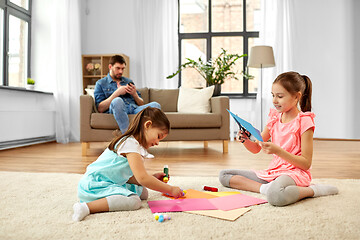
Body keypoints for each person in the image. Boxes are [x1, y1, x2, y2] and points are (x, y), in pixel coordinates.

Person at [219, 71, 338, 207]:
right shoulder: (275, 118)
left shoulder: (305, 122)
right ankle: (267, 189)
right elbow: (257, 148)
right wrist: (246, 140)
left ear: (296, 97)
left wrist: (278, 151)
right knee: (224, 175)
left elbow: (306, 163)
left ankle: (313, 190)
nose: (275, 100)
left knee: (276, 196)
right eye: (273, 95)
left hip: (294, 173)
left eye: (280, 96)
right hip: (274, 172)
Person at [72, 107, 184, 221]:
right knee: (134, 201)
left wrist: (152, 178)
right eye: (158, 137)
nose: (157, 143)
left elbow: (128, 176)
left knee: (143, 192)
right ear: (147, 125)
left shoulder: (134, 145)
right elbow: (142, 178)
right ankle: (86, 207)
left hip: (107, 180)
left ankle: (100, 201)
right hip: (95, 185)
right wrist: (170, 189)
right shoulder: (130, 144)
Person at [94, 54, 161, 134]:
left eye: (123, 69)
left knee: (156, 106)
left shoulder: (128, 81)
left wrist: (134, 94)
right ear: (110, 67)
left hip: (134, 109)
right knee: (117, 101)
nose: (121, 72)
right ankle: (127, 136)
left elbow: (141, 103)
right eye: (118, 68)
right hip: (117, 109)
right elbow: (100, 108)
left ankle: (146, 137)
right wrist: (117, 92)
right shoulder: (101, 83)